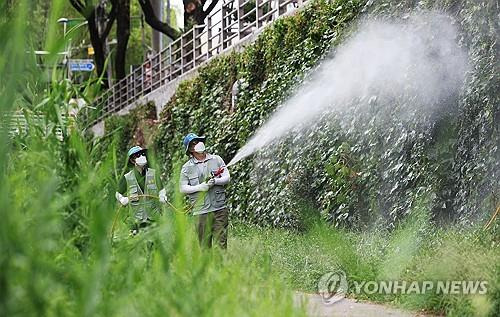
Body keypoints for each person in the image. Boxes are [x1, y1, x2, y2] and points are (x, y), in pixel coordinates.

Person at [179, 133, 230, 248]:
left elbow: (227, 177)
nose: (198, 144)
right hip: (200, 211)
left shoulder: (217, 159)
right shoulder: (187, 167)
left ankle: (221, 266)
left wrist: (216, 182)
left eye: (198, 141)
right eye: (194, 143)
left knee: (221, 244)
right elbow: (182, 188)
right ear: (190, 149)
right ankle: (207, 266)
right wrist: (199, 187)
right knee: (204, 246)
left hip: (219, 209)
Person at [115, 146, 167, 235]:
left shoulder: (153, 173)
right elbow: (117, 193)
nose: (141, 157)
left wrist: (163, 196)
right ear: (132, 160)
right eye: (138, 155)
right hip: (136, 221)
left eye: (143, 154)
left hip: (154, 218)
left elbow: (162, 189)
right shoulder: (127, 177)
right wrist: (122, 199)